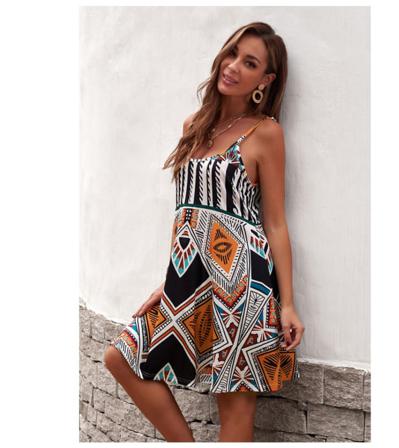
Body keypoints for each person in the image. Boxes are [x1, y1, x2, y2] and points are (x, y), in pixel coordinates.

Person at [103, 21, 305, 442]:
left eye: (249, 63)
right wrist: (170, 281)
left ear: (265, 81)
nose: (233, 66)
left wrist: (287, 304)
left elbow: (275, 223)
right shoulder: (194, 126)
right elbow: (186, 215)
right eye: (232, 53)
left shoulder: (265, 133)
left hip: (243, 288)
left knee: (235, 417)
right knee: (119, 357)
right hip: (190, 281)